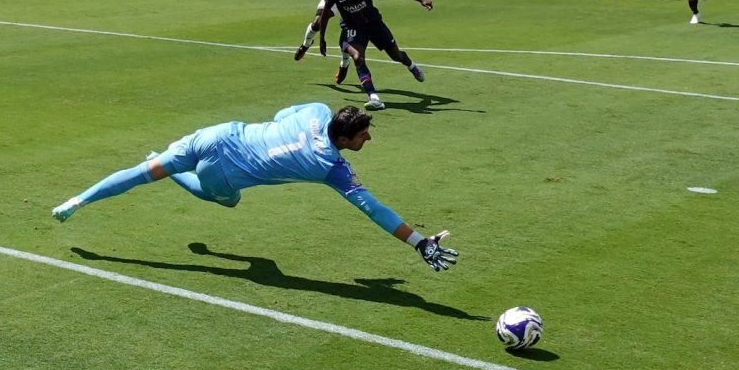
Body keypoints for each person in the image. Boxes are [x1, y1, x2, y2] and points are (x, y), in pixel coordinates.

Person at [51, 103, 459, 272]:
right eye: (364, 136)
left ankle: (78, 199)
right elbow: (373, 208)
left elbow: (283, 113)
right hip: (224, 175)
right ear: (346, 137)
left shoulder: (318, 110)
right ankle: (176, 174)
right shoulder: (331, 168)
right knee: (226, 202)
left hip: (219, 135)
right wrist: (419, 242)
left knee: (142, 172)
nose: (368, 140)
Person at [314, 0, 430, 111]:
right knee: (358, 57)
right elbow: (324, 14)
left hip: (374, 24)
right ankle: (374, 97)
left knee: (396, 55)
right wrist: (322, 38)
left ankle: (411, 65)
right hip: (353, 27)